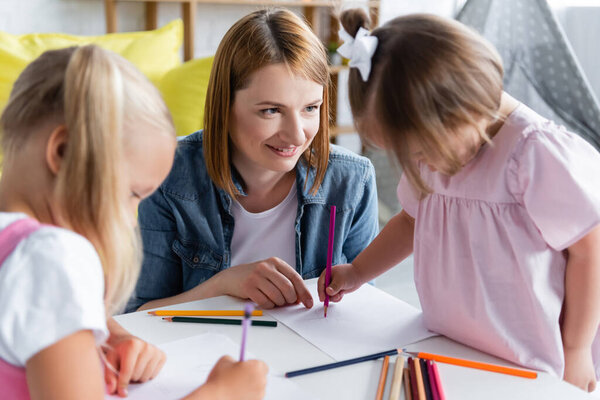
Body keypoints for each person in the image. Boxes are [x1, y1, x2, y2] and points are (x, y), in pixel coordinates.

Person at [318, 10, 600, 392]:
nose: (416, 164)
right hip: (454, 346)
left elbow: (589, 250)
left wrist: (578, 349)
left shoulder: (533, 154)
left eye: (417, 151)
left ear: (462, 108)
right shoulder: (436, 153)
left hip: (535, 360)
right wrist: (357, 272)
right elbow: (410, 221)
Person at [0, 45, 267, 399]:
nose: (130, 220)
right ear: (63, 153)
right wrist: (222, 393)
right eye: (132, 194)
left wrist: (108, 335)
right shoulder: (52, 257)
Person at [127, 8, 379, 312]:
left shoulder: (353, 180)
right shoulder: (168, 172)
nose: (297, 135)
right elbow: (137, 317)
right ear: (226, 105)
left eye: (310, 108)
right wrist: (224, 285)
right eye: (271, 110)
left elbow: (366, 305)